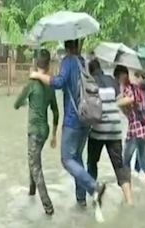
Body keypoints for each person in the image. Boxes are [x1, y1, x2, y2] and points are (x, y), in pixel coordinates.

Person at [30, 40, 106, 209]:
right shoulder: (83, 61)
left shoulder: (69, 61)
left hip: (73, 119)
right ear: (78, 45)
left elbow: (58, 82)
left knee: (66, 159)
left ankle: (94, 187)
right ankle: (81, 201)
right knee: (77, 158)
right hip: (86, 118)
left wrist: (37, 76)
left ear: (66, 46)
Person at [13, 49, 59, 216]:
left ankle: (48, 207)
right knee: (33, 159)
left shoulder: (31, 84)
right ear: (48, 66)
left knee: (35, 166)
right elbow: (56, 111)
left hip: (34, 131)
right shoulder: (50, 87)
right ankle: (32, 191)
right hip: (45, 131)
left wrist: (25, 103)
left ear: (35, 64)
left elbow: (16, 104)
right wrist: (54, 135)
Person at [86, 59, 134, 205]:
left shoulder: (90, 82)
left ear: (90, 70)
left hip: (98, 130)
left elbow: (88, 107)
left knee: (92, 163)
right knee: (119, 166)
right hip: (115, 129)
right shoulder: (112, 81)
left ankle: (94, 193)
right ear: (101, 68)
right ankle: (130, 200)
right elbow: (119, 100)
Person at [115, 65, 145, 198]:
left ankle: (128, 195)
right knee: (144, 162)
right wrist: (121, 101)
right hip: (144, 129)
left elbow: (131, 100)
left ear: (122, 76)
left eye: (118, 78)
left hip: (135, 131)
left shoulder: (129, 89)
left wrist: (115, 102)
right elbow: (130, 112)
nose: (117, 81)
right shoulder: (136, 87)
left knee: (125, 162)